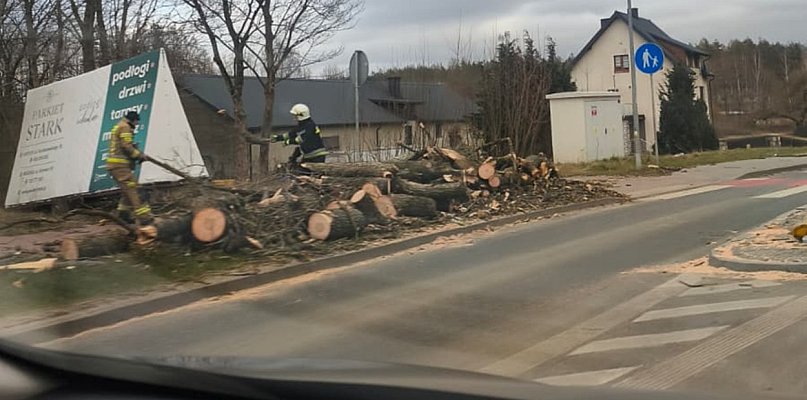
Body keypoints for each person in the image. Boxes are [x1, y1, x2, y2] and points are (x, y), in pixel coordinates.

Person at [105, 111, 154, 226]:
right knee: (134, 189)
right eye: (137, 122)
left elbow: (124, 145)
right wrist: (139, 155)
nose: (137, 125)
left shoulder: (119, 125)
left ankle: (123, 215)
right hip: (120, 166)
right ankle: (144, 218)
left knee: (127, 190)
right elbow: (126, 146)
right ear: (133, 120)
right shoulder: (125, 127)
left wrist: (136, 153)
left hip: (115, 166)